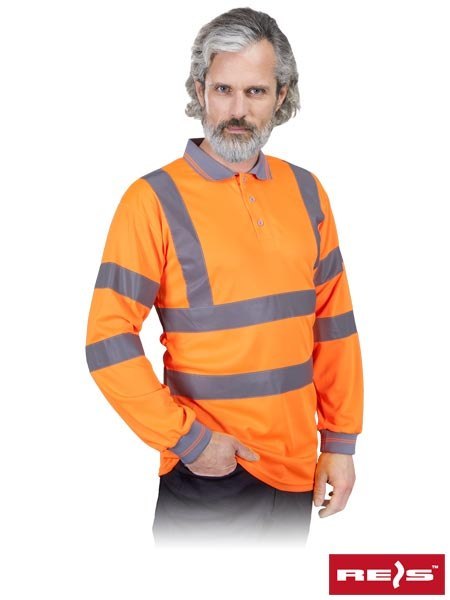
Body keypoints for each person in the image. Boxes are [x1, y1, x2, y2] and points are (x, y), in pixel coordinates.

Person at [85, 7, 364, 548]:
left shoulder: (308, 192)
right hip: (207, 475)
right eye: (223, 90)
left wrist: (340, 441)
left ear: (281, 95)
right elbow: (107, 340)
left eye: (255, 91)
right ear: (200, 90)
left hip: (297, 471)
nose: (237, 110)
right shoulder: (152, 200)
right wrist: (189, 441)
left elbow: (334, 328)